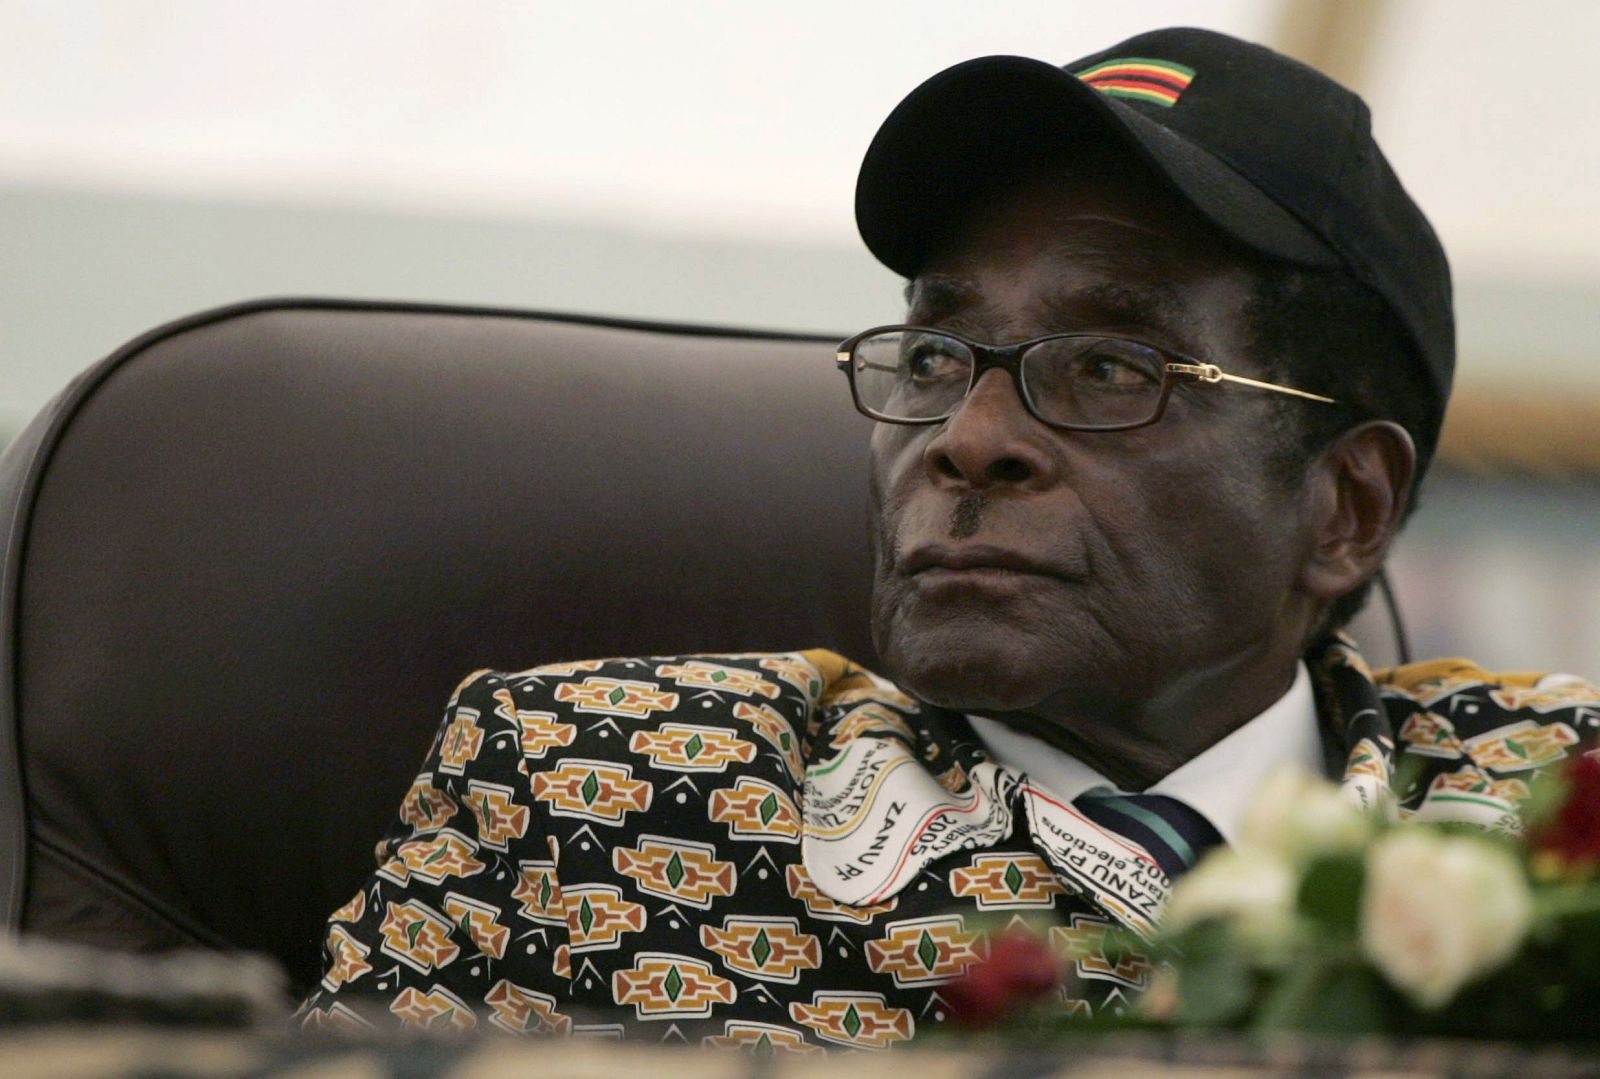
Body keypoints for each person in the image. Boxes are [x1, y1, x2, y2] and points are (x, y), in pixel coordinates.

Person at [298, 27, 1598, 1048]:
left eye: (1105, 368)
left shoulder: (1557, 812)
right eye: (934, 354)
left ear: (1346, 508)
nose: (969, 438)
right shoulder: (585, 784)